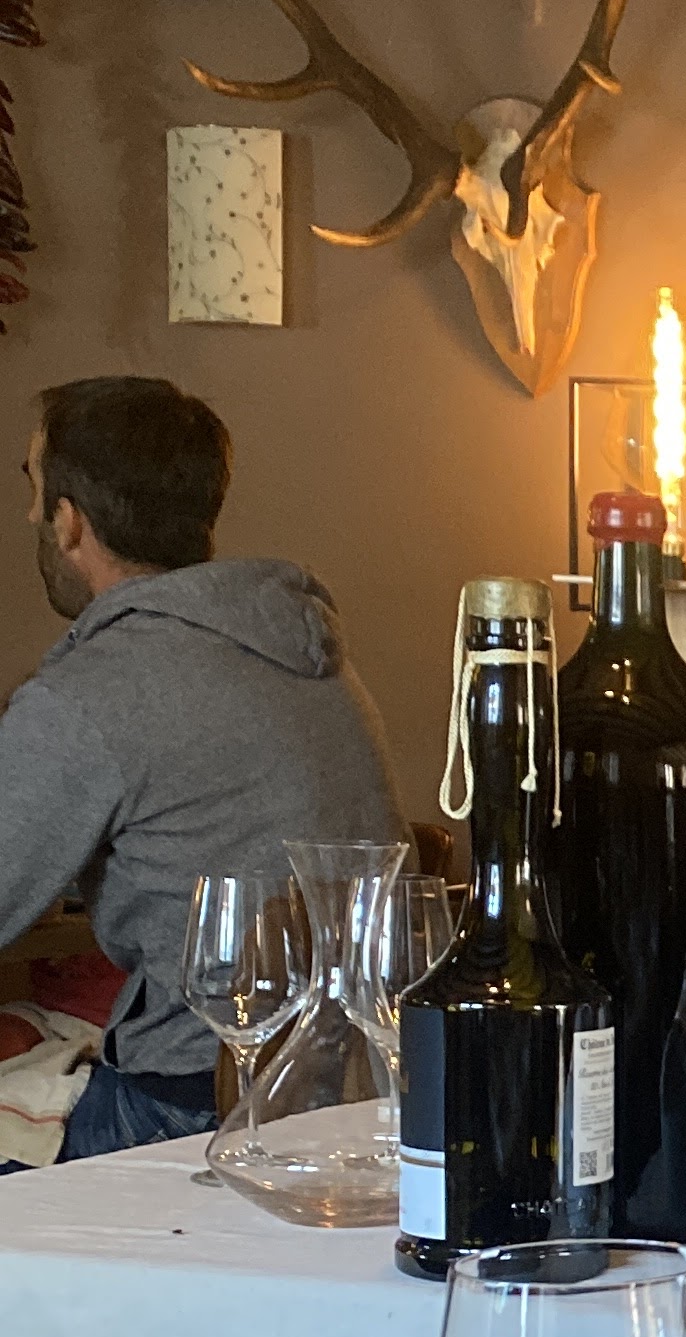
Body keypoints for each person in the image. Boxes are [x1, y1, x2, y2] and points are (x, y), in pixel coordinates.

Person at [1, 374, 403, 1160]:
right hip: (362, 1097)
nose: (27, 515)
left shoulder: (94, 689)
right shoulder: (303, 644)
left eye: (32, 487)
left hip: (195, 1112)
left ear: (70, 520)